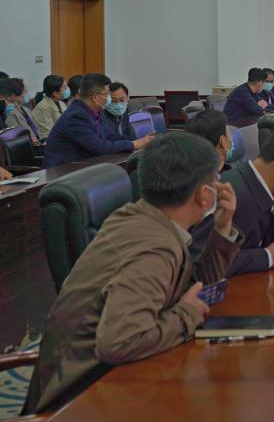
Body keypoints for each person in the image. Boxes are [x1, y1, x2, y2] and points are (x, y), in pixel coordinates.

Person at [21, 131, 242, 415]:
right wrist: (186, 315)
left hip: (108, 378)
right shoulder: (153, 247)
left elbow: (193, 288)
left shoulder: (142, 217)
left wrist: (222, 230)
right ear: (204, 195)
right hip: (81, 398)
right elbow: (119, 343)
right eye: (215, 180)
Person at [193, 126, 274, 276]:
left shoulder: (258, 187)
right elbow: (205, 263)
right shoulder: (230, 194)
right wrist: (268, 256)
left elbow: (257, 244)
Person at [43, 73, 154, 168]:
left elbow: (111, 136)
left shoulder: (97, 111)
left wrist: (142, 141)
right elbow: (99, 147)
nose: (109, 98)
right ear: (95, 98)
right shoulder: (76, 116)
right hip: (62, 171)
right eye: (107, 94)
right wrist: (133, 144)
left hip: (84, 165)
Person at [0, 77, 41, 142]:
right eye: (23, 92)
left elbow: (37, 130)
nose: (24, 94)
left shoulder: (27, 109)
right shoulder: (9, 112)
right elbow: (13, 136)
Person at [31, 75, 69, 139]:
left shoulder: (61, 103)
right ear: (55, 93)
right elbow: (48, 133)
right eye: (64, 87)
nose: (67, 89)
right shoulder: (43, 107)